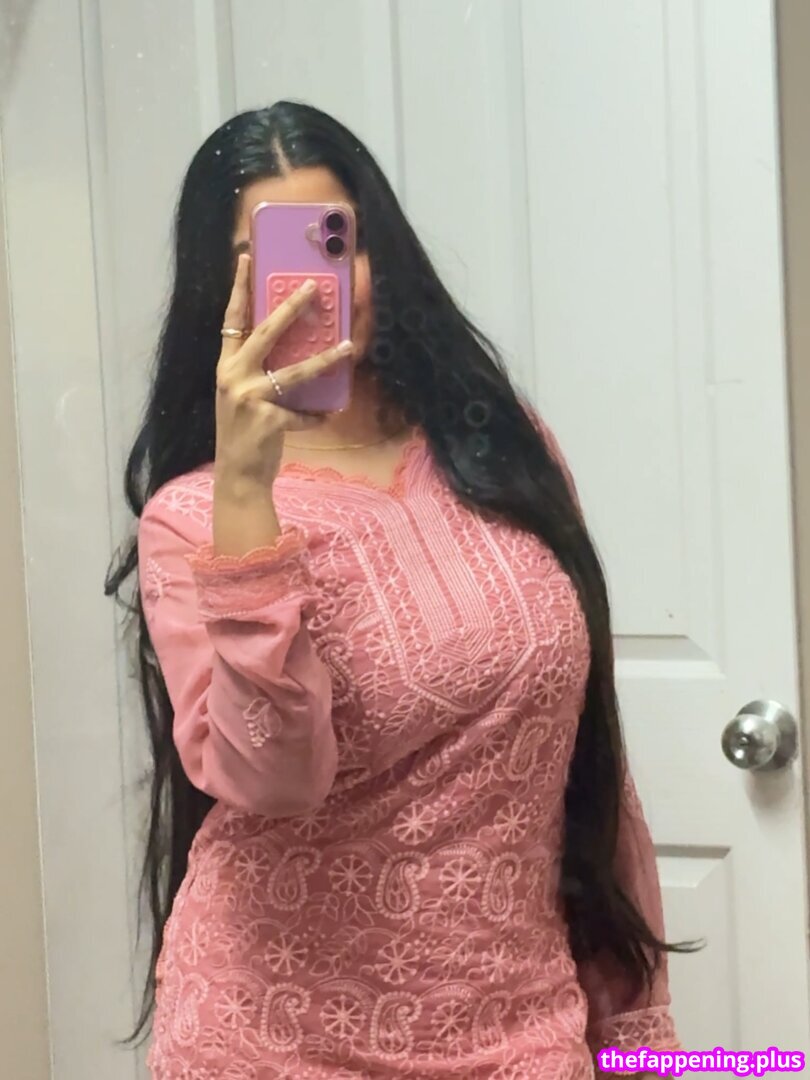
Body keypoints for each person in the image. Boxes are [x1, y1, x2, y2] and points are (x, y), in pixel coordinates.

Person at [106, 101, 682, 1079]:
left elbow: (590, 764)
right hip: (272, 1045)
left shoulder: (503, 451)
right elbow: (275, 782)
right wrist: (246, 496)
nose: (312, 288)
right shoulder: (192, 520)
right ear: (220, 290)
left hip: (520, 1034)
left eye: (339, 244)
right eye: (271, 258)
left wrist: (639, 1039)